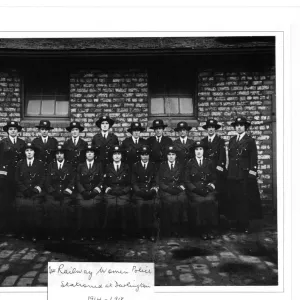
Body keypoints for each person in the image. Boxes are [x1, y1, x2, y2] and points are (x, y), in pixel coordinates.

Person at [227, 116, 262, 233]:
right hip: (233, 174)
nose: (239, 127)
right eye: (237, 125)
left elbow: (254, 159)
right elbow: (231, 157)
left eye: (241, 125)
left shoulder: (250, 141)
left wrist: (252, 174)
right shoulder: (232, 140)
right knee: (235, 198)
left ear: (245, 127)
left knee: (244, 200)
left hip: (244, 174)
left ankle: (245, 224)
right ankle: (237, 222)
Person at [184, 141, 218, 240]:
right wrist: (195, 190)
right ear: (194, 151)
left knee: (210, 201)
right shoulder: (190, 163)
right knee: (199, 202)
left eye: (200, 149)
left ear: (203, 151)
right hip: (195, 191)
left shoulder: (209, 162)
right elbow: (187, 180)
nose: (199, 151)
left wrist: (209, 188)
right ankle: (201, 229)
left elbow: (215, 179)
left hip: (207, 190)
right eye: (196, 149)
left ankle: (209, 229)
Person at [44, 143, 76, 241]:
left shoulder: (69, 166)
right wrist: (53, 192)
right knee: (50, 206)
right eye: (57, 153)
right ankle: (52, 232)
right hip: (53, 194)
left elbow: (72, 180)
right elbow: (47, 181)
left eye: (61, 153)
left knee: (65, 207)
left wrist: (67, 191)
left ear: (64, 155)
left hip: (66, 193)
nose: (59, 155)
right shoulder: (51, 165)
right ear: (55, 155)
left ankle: (64, 233)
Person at [15, 142, 45, 242]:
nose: (29, 153)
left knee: (35, 207)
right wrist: (24, 189)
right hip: (23, 192)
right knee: (21, 206)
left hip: (35, 192)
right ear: (24, 152)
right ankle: (24, 232)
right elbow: (17, 179)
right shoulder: (20, 164)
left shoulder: (39, 163)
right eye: (27, 151)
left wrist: (36, 189)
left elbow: (42, 179)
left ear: (34, 152)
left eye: (31, 151)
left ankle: (34, 233)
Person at [0, 121, 26, 234]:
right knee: (6, 200)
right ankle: (6, 228)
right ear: (7, 131)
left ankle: (18, 227)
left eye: (15, 129)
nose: (13, 131)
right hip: (7, 175)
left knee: (19, 199)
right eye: (11, 129)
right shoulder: (3, 143)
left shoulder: (22, 143)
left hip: (19, 174)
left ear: (18, 131)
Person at [103, 145, 132, 239]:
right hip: (111, 193)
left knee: (123, 206)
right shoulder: (107, 167)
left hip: (123, 192)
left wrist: (124, 191)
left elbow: (130, 182)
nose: (117, 156)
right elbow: (104, 182)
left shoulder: (126, 167)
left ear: (121, 156)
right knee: (110, 206)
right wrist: (109, 190)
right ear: (112, 156)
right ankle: (109, 232)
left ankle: (124, 232)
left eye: (119, 154)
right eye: (115, 154)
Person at [201, 119, 227, 222]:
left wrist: (220, 166)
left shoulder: (220, 141)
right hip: (207, 171)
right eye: (209, 127)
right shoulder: (203, 141)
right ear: (207, 129)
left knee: (218, 193)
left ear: (215, 129)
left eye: (213, 127)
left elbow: (222, 157)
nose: (211, 129)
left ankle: (219, 217)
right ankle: (208, 217)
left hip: (217, 171)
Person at [76, 144, 104, 241]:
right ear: (85, 155)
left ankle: (93, 233)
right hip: (83, 192)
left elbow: (101, 180)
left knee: (93, 206)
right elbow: (78, 181)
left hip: (95, 193)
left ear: (94, 154)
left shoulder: (99, 165)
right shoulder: (80, 166)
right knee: (81, 205)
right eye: (88, 152)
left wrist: (95, 191)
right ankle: (82, 233)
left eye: (91, 152)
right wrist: (83, 191)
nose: (89, 154)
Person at [157, 145, 187, 237]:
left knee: (182, 199)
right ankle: (167, 229)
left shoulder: (180, 165)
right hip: (166, 190)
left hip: (178, 189)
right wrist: (168, 189)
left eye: (173, 154)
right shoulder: (162, 166)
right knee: (169, 201)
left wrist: (179, 189)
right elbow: (159, 181)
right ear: (166, 156)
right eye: (169, 154)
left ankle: (179, 228)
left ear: (176, 156)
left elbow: (184, 180)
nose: (171, 156)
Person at [131, 145, 158, 241]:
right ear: (140, 156)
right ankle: (141, 231)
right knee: (140, 205)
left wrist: (152, 190)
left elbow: (155, 181)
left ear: (149, 156)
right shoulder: (135, 166)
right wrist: (139, 191)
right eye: (143, 155)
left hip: (150, 192)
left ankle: (152, 232)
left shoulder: (153, 165)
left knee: (152, 206)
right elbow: (133, 182)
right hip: (139, 193)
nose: (145, 157)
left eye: (146, 154)